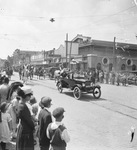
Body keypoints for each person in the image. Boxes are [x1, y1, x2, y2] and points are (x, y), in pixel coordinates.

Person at [16, 86, 35, 150]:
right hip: (26, 131)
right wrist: (34, 126)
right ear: (25, 96)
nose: (30, 97)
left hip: (22, 128)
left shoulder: (21, 104)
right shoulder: (23, 107)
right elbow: (28, 120)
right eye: (29, 96)